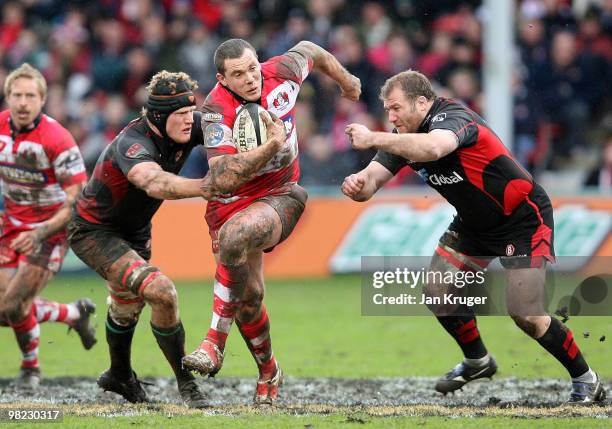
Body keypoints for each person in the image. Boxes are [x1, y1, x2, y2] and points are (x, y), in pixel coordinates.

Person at [342, 70, 605, 404]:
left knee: (525, 313)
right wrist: (355, 184)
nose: (391, 117)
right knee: (438, 292)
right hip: (474, 225)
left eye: (396, 108)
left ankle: (587, 379)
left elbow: (435, 147)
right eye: (387, 111)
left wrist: (375, 137)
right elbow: (368, 185)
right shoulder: (402, 137)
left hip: (522, 218)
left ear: (422, 102)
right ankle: (478, 361)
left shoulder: (453, 117)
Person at [182, 38, 361, 405]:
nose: (250, 79)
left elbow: (310, 49)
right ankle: (269, 372)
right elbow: (222, 177)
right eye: (238, 74)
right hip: (230, 203)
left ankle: (213, 343)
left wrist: (346, 80)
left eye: (252, 67)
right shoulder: (216, 109)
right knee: (249, 298)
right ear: (222, 78)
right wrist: (272, 145)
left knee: (236, 236)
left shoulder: (280, 72)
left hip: (282, 195)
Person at [67, 70, 244, 408]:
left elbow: (226, 121)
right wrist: (205, 187)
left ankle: (118, 375)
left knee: (126, 306)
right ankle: (187, 385)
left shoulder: (189, 121)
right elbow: (155, 183)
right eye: (179, 116)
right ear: (158, 117)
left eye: (189, 112)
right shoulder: (133, 143)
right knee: (162, 292)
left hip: (135, 232)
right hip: (94, 231)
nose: (188, 122)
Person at [0, 63, 96, 390]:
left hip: (50, 232)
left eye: (30, 96)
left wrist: (39, 233)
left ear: (42, 100)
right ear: (7, 96)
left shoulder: (58, 140)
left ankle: (31, 369)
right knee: (5, 309)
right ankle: (72, 313)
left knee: (13, 305)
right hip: (11, 226)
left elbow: (75, 203)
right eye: (17, 95)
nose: (23, 102)